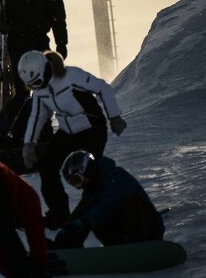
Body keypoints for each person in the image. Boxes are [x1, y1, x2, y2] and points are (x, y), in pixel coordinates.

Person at [20, 50, 127, 229]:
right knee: (47, 166)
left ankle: (106, 213)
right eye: (32, 86)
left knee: (88, 172)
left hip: (91, 128)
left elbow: (103, 88)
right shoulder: (40, 91)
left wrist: (114, 116)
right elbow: (37, 116)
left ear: (45, 70)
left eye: (37, 82)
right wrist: (29, 144)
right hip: (67, 132)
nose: (37, 87)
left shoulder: (71, 76)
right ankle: (59, 214)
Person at [53, 150, 165, 248]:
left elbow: (109, 202)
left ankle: (138, 244)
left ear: (86, 169)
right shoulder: (91, 189)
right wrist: (69, 229)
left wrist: (85, 221)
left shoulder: (116, 176)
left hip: (149, 232)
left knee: (128, 203)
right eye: (73, 183)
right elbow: (82, 210)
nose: (79, 186)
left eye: (77, 179)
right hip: (120, 238)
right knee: (88, 213)